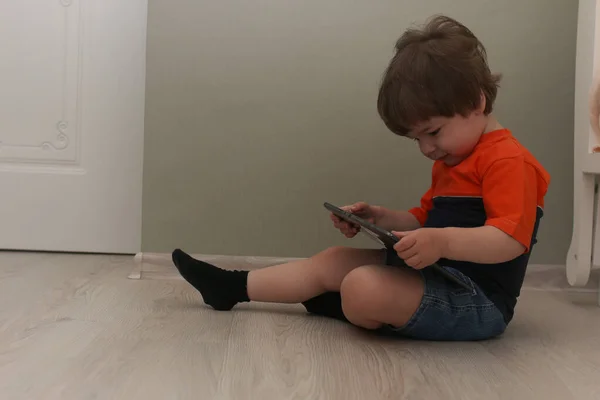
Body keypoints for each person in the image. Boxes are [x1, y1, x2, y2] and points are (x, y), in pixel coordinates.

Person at [171, 15, 550, 341]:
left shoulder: (510, 161)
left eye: (432, 132)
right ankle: (231, 287)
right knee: (335, 260)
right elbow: (424, 220)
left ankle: (347, 305)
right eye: (416, 139)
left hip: (475, 299)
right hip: (434, 274)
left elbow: (508, 241)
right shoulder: (453, 160)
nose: (426, 149)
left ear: (477, 102)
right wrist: (381, 218)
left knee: (362, 286)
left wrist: (441, 241)